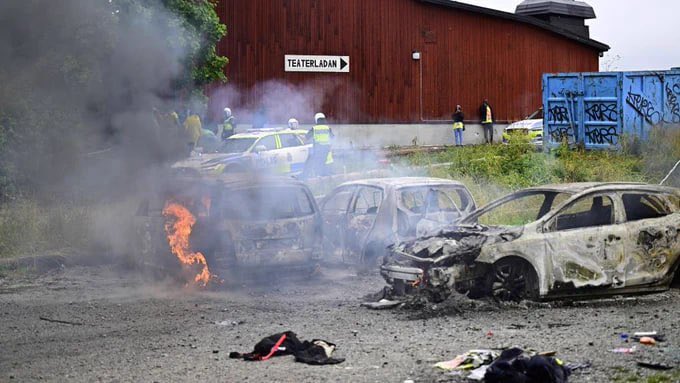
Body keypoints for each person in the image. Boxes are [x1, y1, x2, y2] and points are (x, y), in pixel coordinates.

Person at [303, 112, 334, 178]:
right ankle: (327, 175)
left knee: (318, 162)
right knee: (326, 162)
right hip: (327, 148)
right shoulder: (328, 128)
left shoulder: (314, 128)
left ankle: (319, 176)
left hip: (318, 148)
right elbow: (333, 137)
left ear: (316, 120)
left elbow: (306, 138)